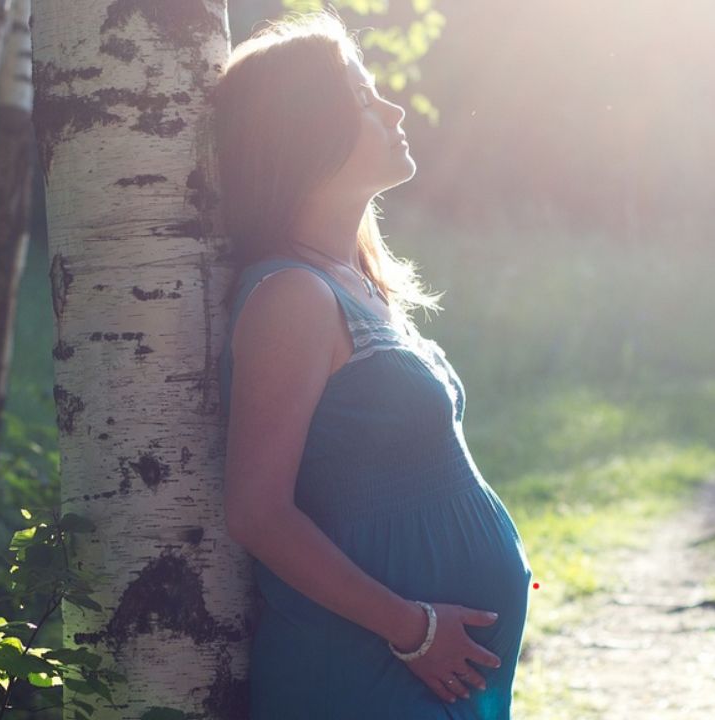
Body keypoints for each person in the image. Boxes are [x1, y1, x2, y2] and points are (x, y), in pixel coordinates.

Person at [214, 10, 533, 719]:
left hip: (426, 676)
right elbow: (257, 511)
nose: (391, 107)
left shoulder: (353, 282)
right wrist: (412, 630)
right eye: (362, 96)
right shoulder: (291, 296)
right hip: (364, 673)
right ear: (306, 133)